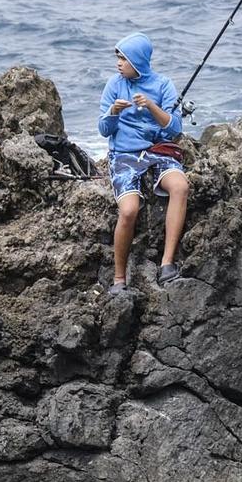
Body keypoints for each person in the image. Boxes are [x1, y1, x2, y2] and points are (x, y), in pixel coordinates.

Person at [97, 33, 189, 292]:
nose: (118, 63)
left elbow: (174, 128)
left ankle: (167, 263)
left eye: (124, 58)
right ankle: (118, 279)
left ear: (137, 61)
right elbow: (104, 129)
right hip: (124, 155)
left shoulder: (163, 85)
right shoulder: (114, 84)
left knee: (180, 187)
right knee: (128, 210)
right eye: (118, 57)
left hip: (157, 151)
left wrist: (150, 105)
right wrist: (113, 112)